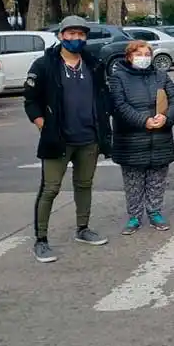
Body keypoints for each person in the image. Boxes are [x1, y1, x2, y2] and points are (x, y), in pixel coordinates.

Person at [23, 15, 113, 263]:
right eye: (71, 34)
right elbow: (30, 100)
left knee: (84, 184)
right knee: (50, 188)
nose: (76, 38)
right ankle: (41, 240)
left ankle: (83, 228)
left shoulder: (94, 64)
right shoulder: (45, 65)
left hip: (89, 138)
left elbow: (103, 95)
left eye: (81, 34)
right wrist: (42, 124)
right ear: (61, 35)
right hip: (58, 139)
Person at [109, 40, 174, 235]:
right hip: (131, 141)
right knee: (133, 182)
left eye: (147, 54)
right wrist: (144, 121)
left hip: (160, 139)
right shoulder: (118, 78)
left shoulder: (160, 75)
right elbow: (119, 106)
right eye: (138, 54)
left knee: (157, 180)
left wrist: (166, 118)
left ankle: (155, 212)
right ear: (129, 57)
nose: (143, 58)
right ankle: (134, 216)